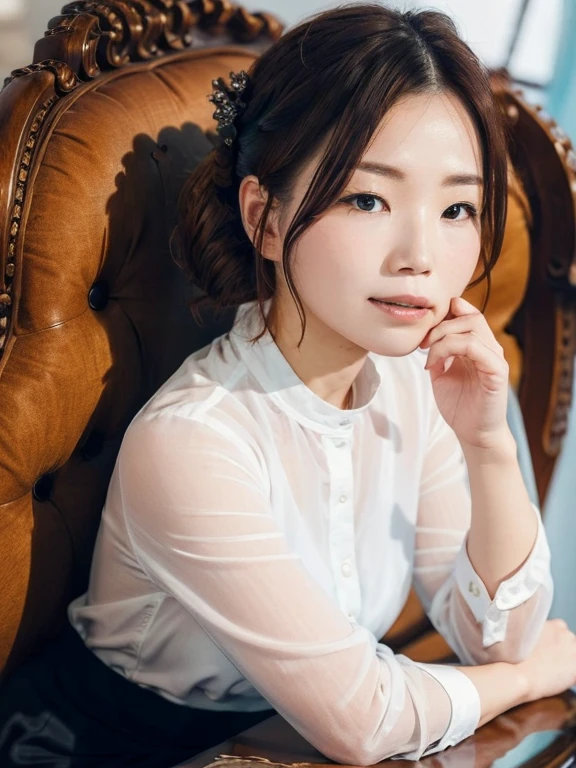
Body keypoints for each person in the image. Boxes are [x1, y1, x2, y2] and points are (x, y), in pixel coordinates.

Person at [1, 4, 576, 767]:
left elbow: (499, 633)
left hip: (283, 745)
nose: (422, 255)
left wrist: (487, 441)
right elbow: (367, 718)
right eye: (368, 198)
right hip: (112, 751)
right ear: (265, 218)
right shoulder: (194, 441)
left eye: (457, 207)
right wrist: (527, 677)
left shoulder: (416, 382)